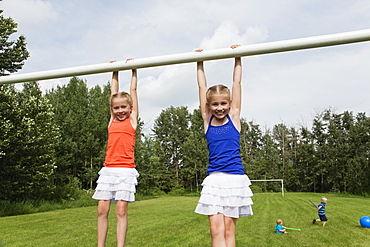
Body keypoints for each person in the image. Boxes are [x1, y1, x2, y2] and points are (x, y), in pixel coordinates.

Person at [194, 45, 254, 247]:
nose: (219, 108)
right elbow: (202, 88)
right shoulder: (207, 120)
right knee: (215, 229)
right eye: (215, 104)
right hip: (215, 180)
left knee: (229, 229)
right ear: (209, 106)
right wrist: (199, 62)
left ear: (229, 104)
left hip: (235, 179)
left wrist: (237, 57)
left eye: (223, 104)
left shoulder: (234, 117)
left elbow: (236, 82)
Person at [92, 60, 139, 247]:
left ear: (130, 108)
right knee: (101, 210)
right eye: (116, 108)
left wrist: (135, 69)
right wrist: (115, 71)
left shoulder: (132, 120)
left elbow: (133, 92)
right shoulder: (112, 122)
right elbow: (113, 92)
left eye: (123, 107)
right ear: (112, 110)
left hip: (126, 171)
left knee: (121, 210)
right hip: (108, 170)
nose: (120, 111)